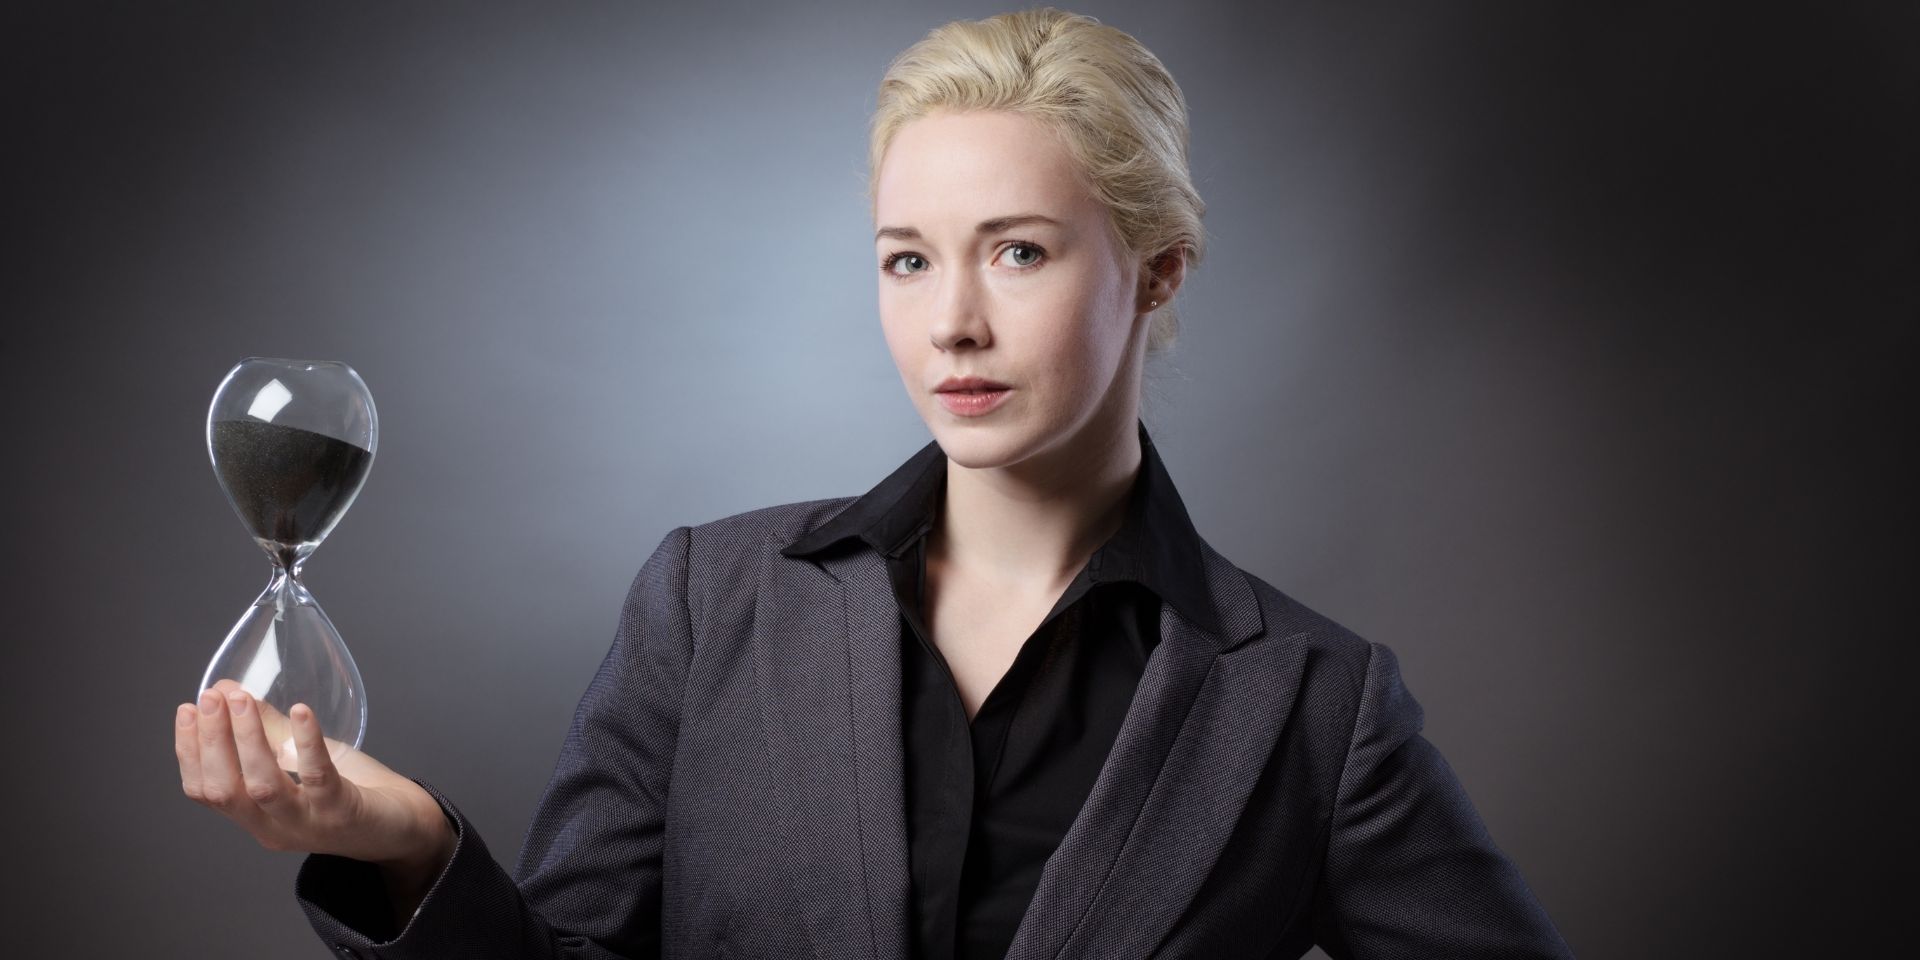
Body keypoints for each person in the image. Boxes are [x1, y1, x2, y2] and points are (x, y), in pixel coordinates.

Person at [172, 8, 1575, 958]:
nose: (950, 320)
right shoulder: (710, 604)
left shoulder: (1318, 707)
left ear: (1157, 272)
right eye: (908, 257)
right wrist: (409, 848)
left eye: (1018, 251)